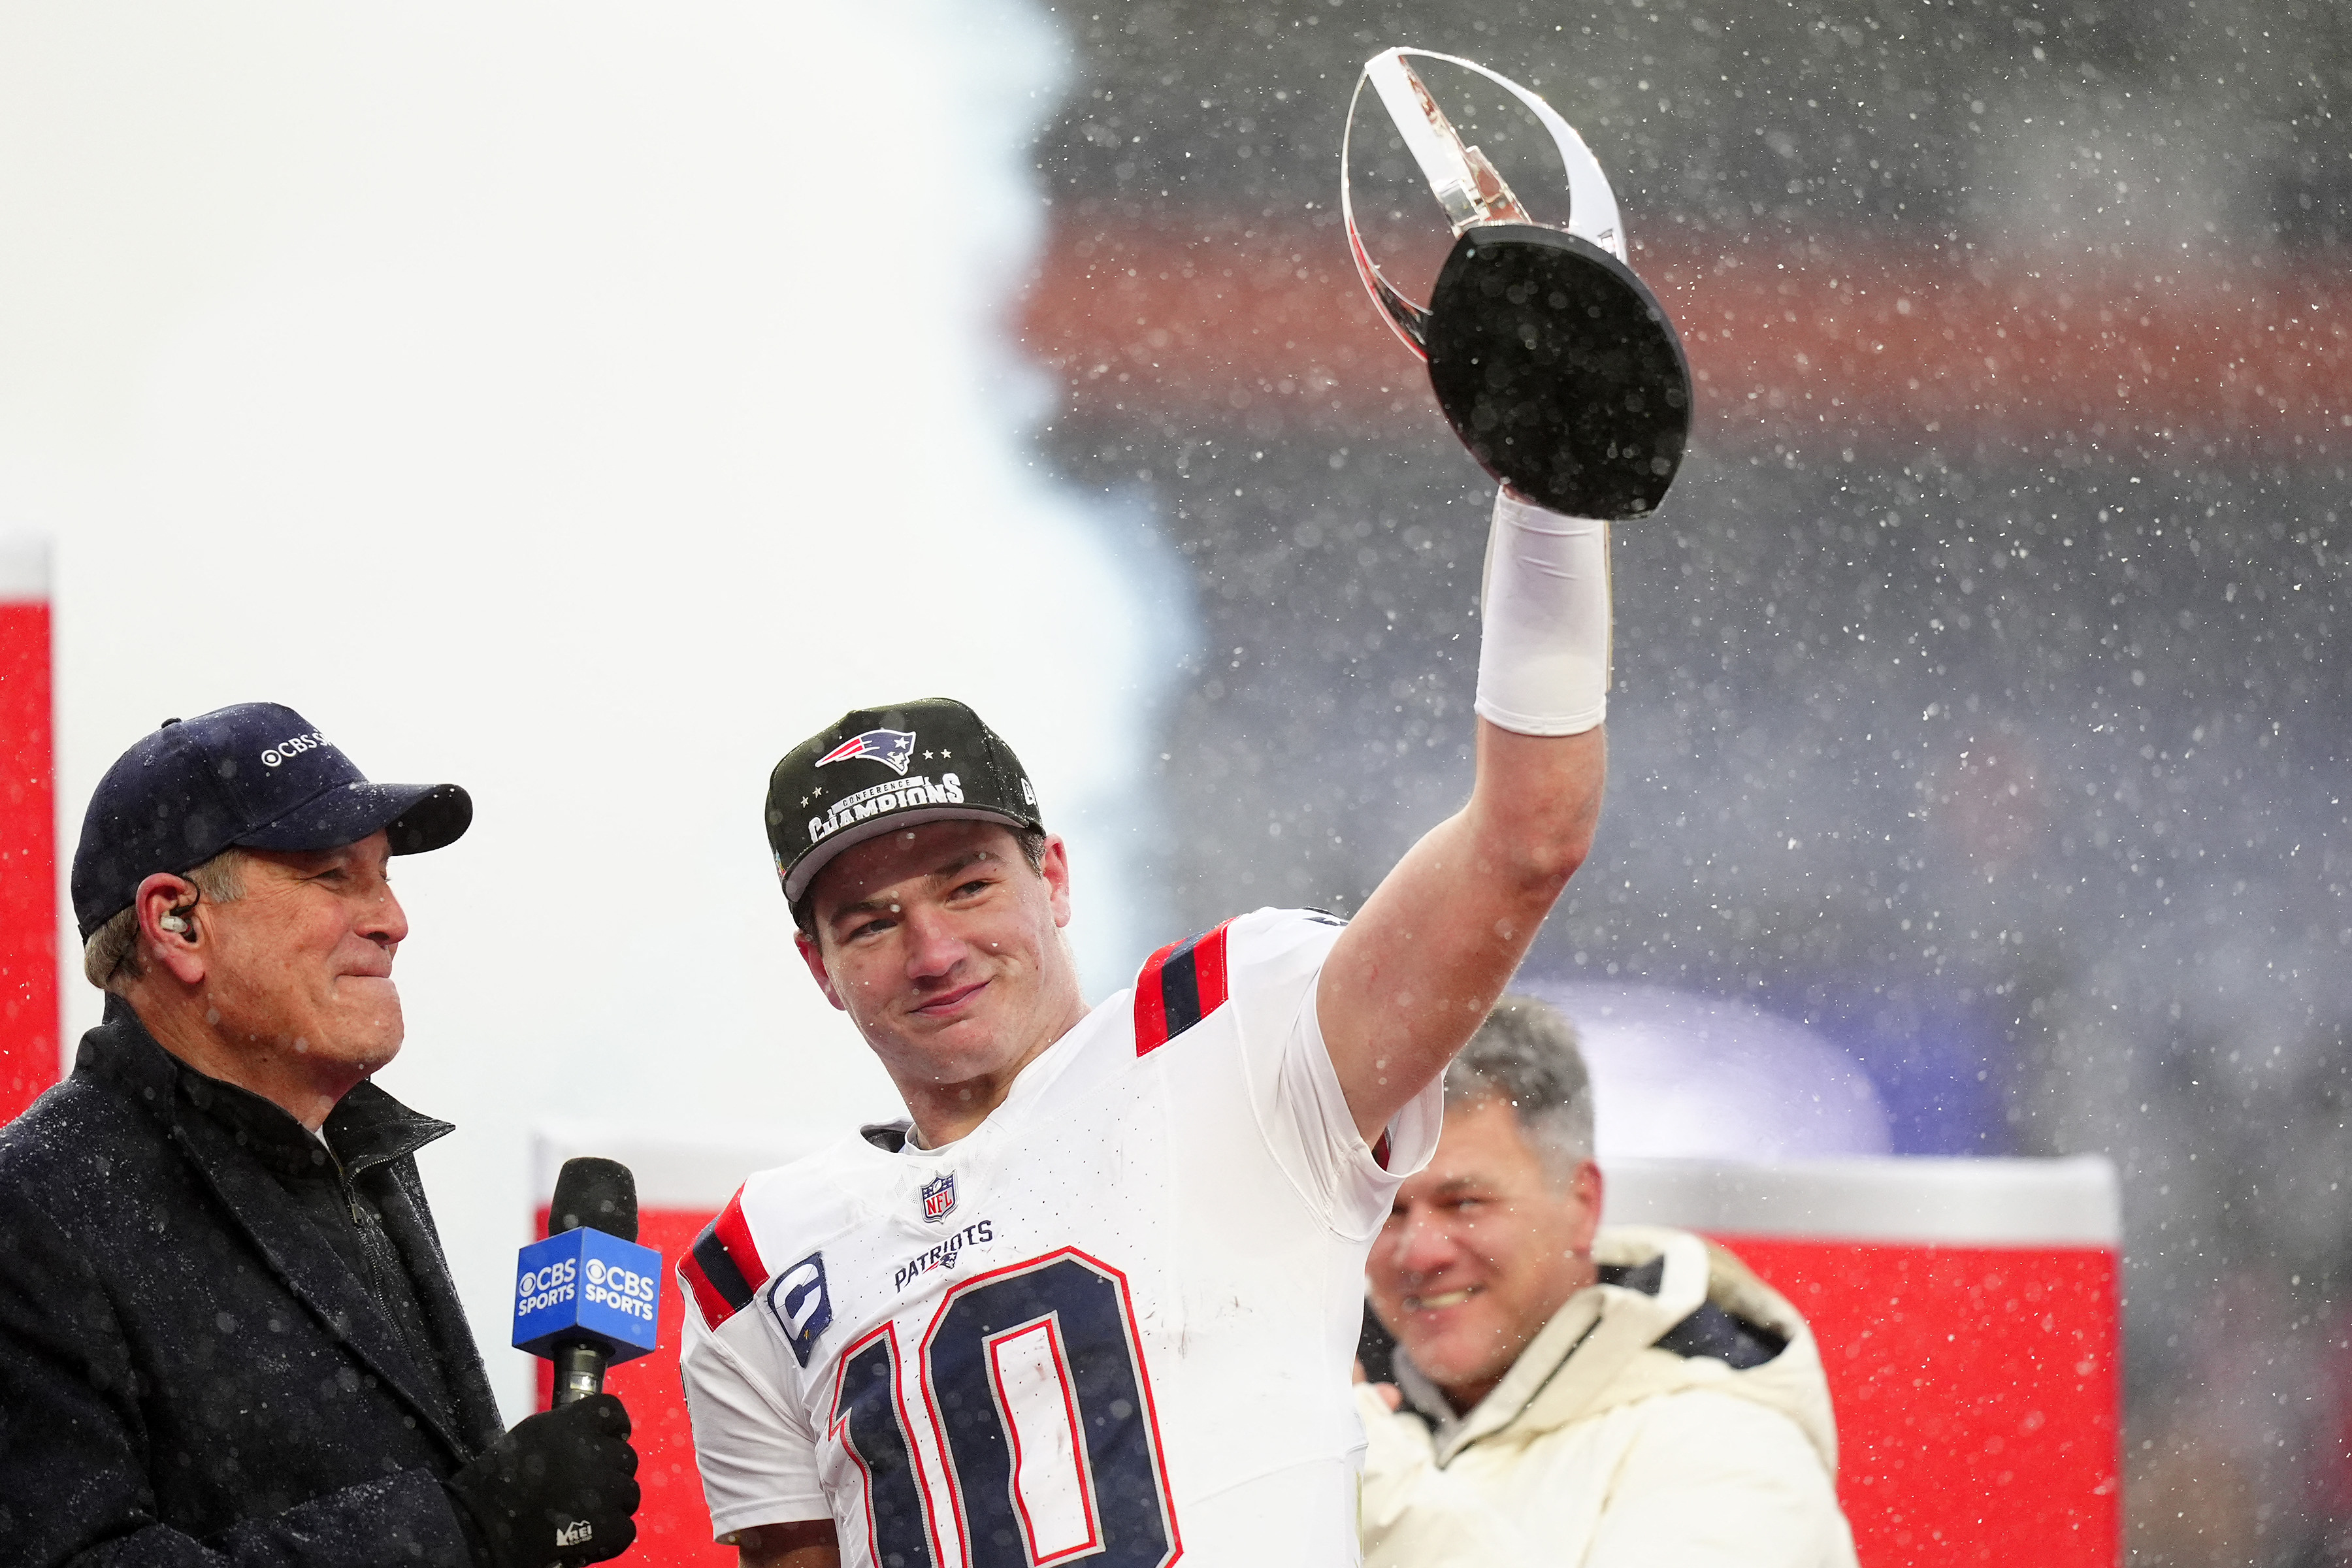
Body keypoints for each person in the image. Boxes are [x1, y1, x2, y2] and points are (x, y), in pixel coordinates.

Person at [676, 475, 1612, 1566]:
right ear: (819, 968)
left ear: (1056, 878)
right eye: (873, 921)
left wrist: (1552, 500)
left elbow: (1526, 844)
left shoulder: (1233, 1031)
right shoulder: (760, 1263)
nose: (934, 951)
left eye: (969, 885)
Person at [0, 703, 641, 1568]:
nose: (391, 919)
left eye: (384, 876)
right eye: (335, 877)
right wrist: (461, 1527)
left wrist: (500, 1521)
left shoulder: (360, 1151)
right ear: (177, 923)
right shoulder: (35, 1209)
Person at [1355, 996, 1859, 1568]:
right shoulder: (1324, 1400)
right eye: (1385, 1211)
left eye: (1465, 1203)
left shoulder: (1732, 1444)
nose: (1419, 1252)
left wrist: (1372, 1485)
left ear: (1582, 1203)